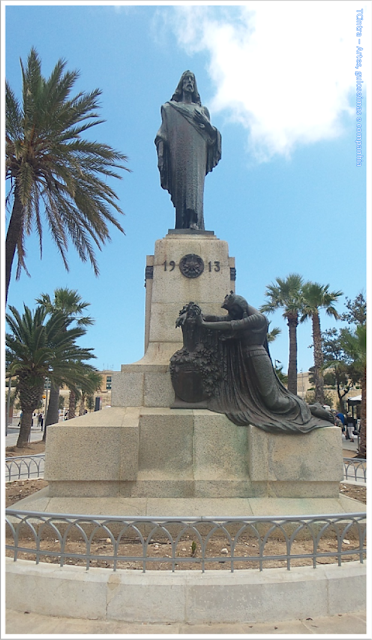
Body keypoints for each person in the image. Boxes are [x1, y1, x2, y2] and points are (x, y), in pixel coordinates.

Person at [194, 292, 334, 433]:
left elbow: (231, 325)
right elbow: (221, 319)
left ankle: (309, 408)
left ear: (240, 307)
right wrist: (201, 317)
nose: (232, 314)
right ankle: (307, 407)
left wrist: (204, 324)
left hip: (257, 359)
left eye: (233, 310)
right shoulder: (247, 315)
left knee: (273, 402)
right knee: (257, 399)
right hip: (246, 361)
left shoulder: (258, 319)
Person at [155, 71, 221, 230]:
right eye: (186, 79)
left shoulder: (202, 111)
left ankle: (194, 221)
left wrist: (207, 124)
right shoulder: (170, 109)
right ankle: (182, 223)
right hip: (178, 152)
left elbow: (213, 137)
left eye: (192, 79)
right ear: (181, 84)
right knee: (181, 188)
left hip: (197, 152)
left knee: (194, 186)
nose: (189, 82)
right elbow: (162, 135)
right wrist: (161, 156)